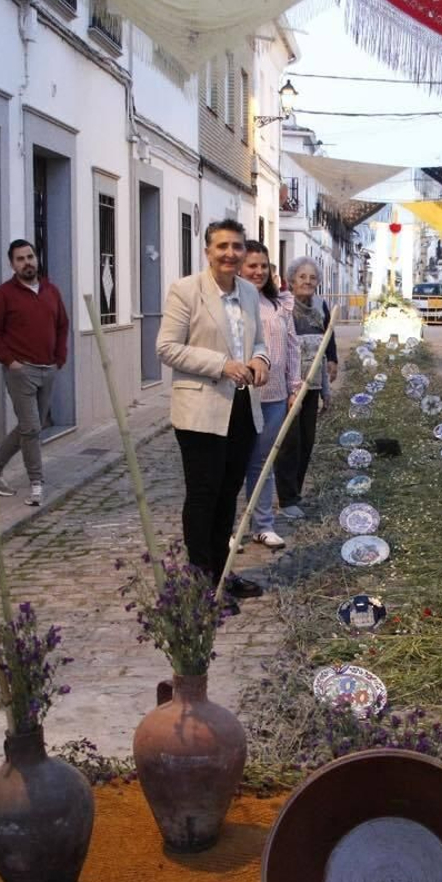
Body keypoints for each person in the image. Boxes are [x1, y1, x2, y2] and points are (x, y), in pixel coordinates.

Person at [156, 219, 272, 610]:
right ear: (207, 251)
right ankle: (200, 584)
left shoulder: (249, 293)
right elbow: (167, 348)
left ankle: (223, 573)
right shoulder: (186, 291)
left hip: (242, 408)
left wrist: (260, 359)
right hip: (200, 410)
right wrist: (221, 364)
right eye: (222, 246)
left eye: (237, 246)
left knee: (228, 497)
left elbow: (257, 341)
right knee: (203, 497)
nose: (230, 254)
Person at [0, 238, 70, 506]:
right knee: (32, 428)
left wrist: (59, 359)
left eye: (30, 257)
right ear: (12, 264)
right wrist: (11, 363)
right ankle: (36, 483)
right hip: (22, 372)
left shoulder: (50, 291)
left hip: (48, 370)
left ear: (36, 258)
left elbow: (62, 325)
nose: (27, 262)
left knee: (28, 426)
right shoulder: (3, 295)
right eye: (20, 259)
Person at [239, 240, 300, 551]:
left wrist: (294, 387)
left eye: (263, 266)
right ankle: (227, 528)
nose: (258, 271)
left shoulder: (279, 305)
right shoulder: (234, 303)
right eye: (252, 265)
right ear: (239, 267)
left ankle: (262, 525)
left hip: (274, 397)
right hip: (240, 397)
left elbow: (292, 347)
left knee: (263, 463)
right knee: (235, 465)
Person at [274, 256, 337, 518]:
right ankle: (286, 498)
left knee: (307, 442)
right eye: (302, 277)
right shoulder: (283, 306)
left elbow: (328, 335)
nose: (308, 282)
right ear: (291, 279)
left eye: (312, 278)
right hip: (290, 384)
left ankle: (295, 494)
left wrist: (332, 359)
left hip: (312, 385)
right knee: (289, 442)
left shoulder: (322, 305)